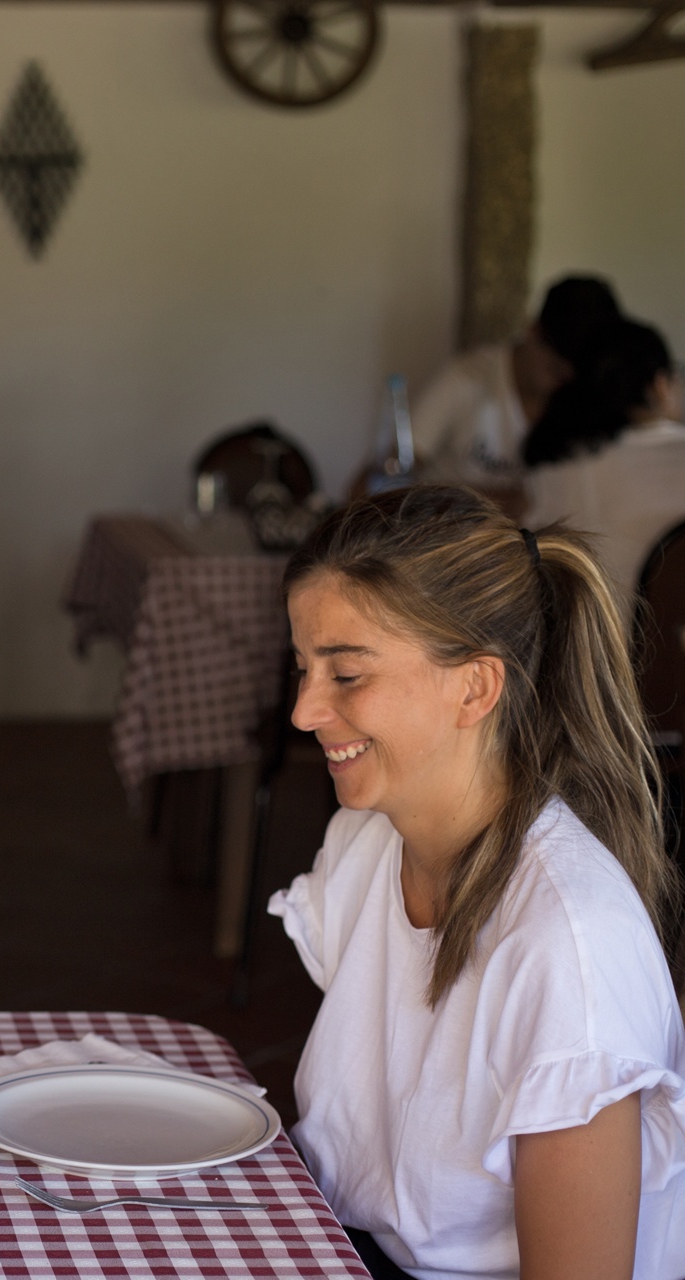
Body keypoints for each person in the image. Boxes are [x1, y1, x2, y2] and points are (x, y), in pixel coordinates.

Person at [270, 485, 685, 1280]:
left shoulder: (568, 945)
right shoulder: (363, 841)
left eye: (347, 674)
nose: (303, 710)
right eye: (303, 668)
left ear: (476, 687)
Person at [411, 275, 622, 489]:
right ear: (533, 330)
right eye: (554, 366)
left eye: (576, 370)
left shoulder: (588, 396)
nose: (565, 377)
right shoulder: (466, 378)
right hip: (454, 519)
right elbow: (395, 473)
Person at [525, 319, 685, 596]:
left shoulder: (555, 462)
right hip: (666, 634)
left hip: (581, 634)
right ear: (660, 384)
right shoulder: (676, 452)